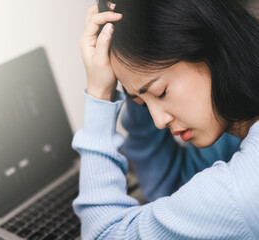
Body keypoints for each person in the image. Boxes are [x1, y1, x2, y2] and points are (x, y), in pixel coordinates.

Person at [71, 0, 259, 239]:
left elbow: (105, 234)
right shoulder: (235, 122)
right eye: (140, 102)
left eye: (161, 92)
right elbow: (174, 191)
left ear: (211, 44)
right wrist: (135, 72)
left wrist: (99, 96)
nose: (158, 122)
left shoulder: (242, 188)